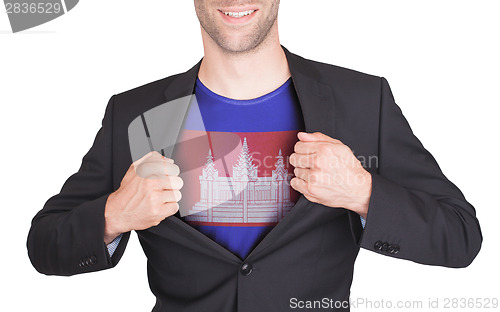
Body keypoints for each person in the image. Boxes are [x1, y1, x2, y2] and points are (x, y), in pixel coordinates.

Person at [27, 1, 482, 311]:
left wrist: (363, 192)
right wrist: (114, 214)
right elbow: (44, 245)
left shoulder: (362, 101)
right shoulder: (136, 113)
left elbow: (460, 236)